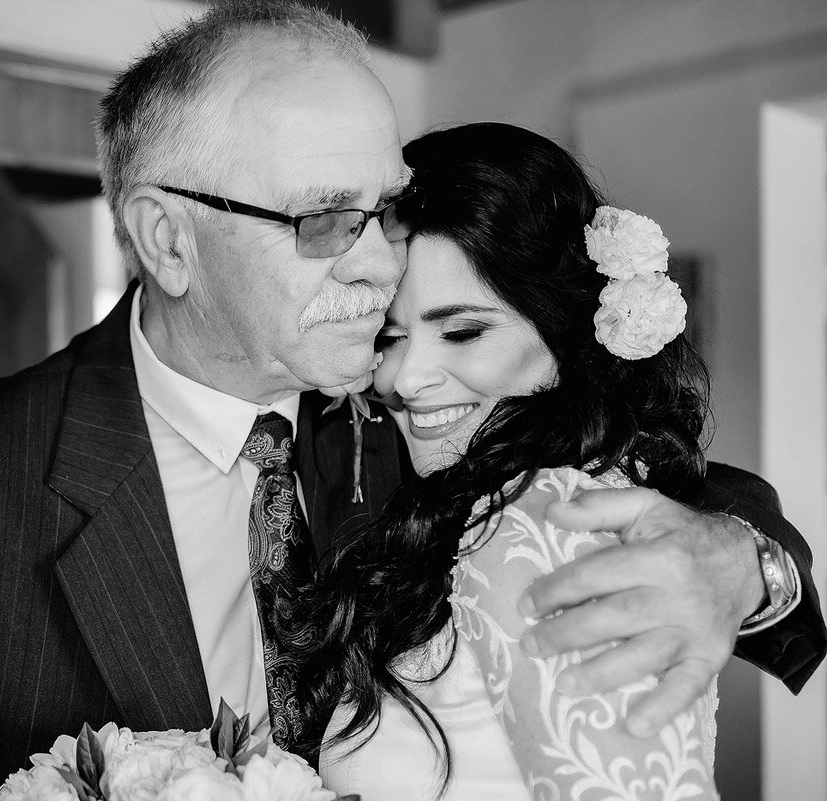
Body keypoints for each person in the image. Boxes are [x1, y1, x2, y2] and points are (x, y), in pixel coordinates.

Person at [0, 3, 824, 799]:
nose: (377, 261)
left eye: (384, 208)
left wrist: (746, 567)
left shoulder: (419, 414)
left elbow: (671, 490)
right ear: (170, 240)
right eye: (323, 219)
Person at [310, 122, 822, 800]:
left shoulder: (551, 517)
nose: (406, 378)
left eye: (462, 331)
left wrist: (747, 562)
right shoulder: (361, 432)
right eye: (391, 335)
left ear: (563, 332)